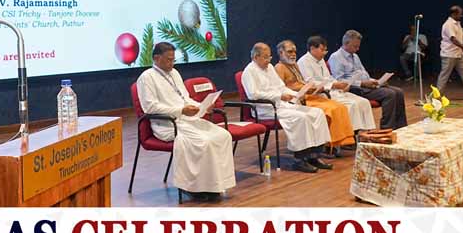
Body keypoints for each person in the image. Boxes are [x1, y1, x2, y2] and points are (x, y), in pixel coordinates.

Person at [136, 42, 235, 200]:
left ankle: (216, 184)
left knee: (223, 136)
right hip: (167, 123)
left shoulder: (174, 73)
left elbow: (185, 98)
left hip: (186, 119)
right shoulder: (146, 77)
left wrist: (202, 106)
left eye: (173, 60)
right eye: (168, 60)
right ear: (156, 58)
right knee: (203, 141)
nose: (172, 63)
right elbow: (150, 107)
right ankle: (194, 187)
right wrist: (180, 110)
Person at [242, 43, 332, 173]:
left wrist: (296, 94)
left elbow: (281, 87)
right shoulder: (249, 71)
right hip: (266, 109)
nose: (269, 60)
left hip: (281, 104)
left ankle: (314, 156)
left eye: (269, 57)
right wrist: (279, 96)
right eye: (265, 57)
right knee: (302, 117)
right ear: (256, 57)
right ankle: (299, 159)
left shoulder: (270, 68)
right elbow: (253, 95)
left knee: (317, 113)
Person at [274, 39, 355, 151]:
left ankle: (340, 142)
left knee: (340, 107)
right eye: (290, 52)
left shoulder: (294, 65)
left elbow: (301, 82)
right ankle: (328, 146)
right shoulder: (279, 67)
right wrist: (303, 89)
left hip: (309, 95)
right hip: (298, 100)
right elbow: (282, 89)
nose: (293, 54)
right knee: (331, 110)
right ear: (281, 53)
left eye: (294, 52)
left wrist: (312, 88)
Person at [297, 35, 376, 135]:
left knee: (363, 102)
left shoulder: (320, 60)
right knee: (351, 105)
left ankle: (365, 132)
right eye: (322, 50)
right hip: (319, 94)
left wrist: (340, 84)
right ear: (312, 48)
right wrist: (333, 85)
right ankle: (349, 135)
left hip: (333, 90)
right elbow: (310, 83)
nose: (324, 53)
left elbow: (328, 77)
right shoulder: (303, 62)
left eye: (325, 50)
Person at [329, 30, 408, 129]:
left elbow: (364, 74)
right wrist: (362, 83)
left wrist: (376, 81)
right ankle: (387, 128)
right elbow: (339, 81)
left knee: (399, 92)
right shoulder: (336, 57)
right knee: (390, 94)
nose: (358, 49)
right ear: (346, 43)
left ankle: (401, 127)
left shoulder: (355, 56)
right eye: (355, 46)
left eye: (358, 46)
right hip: (354, 88)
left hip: (366, 86)